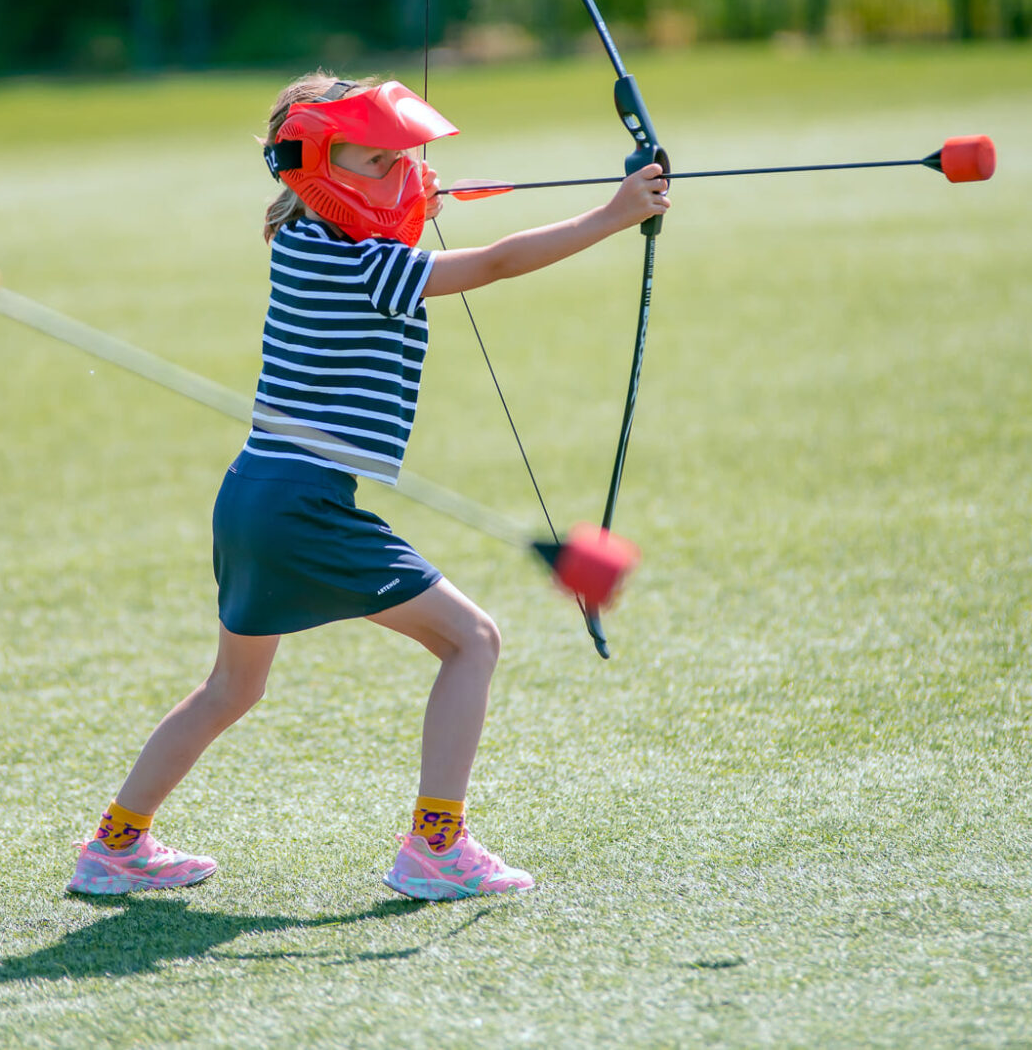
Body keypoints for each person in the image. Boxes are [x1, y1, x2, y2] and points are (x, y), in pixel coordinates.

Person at [64, 73, 669, 901]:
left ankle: (115, 846)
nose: (402, 175)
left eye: (404, 159)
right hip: (300, 505)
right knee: (472, 641)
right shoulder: (367, 265)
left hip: (253, 497)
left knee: (231, 688)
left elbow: (392, 218)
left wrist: (405, 188)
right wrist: (614, 214)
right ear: (317, 168)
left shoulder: (306, 235)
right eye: (378, 160)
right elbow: (491, 263)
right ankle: (436, 846)